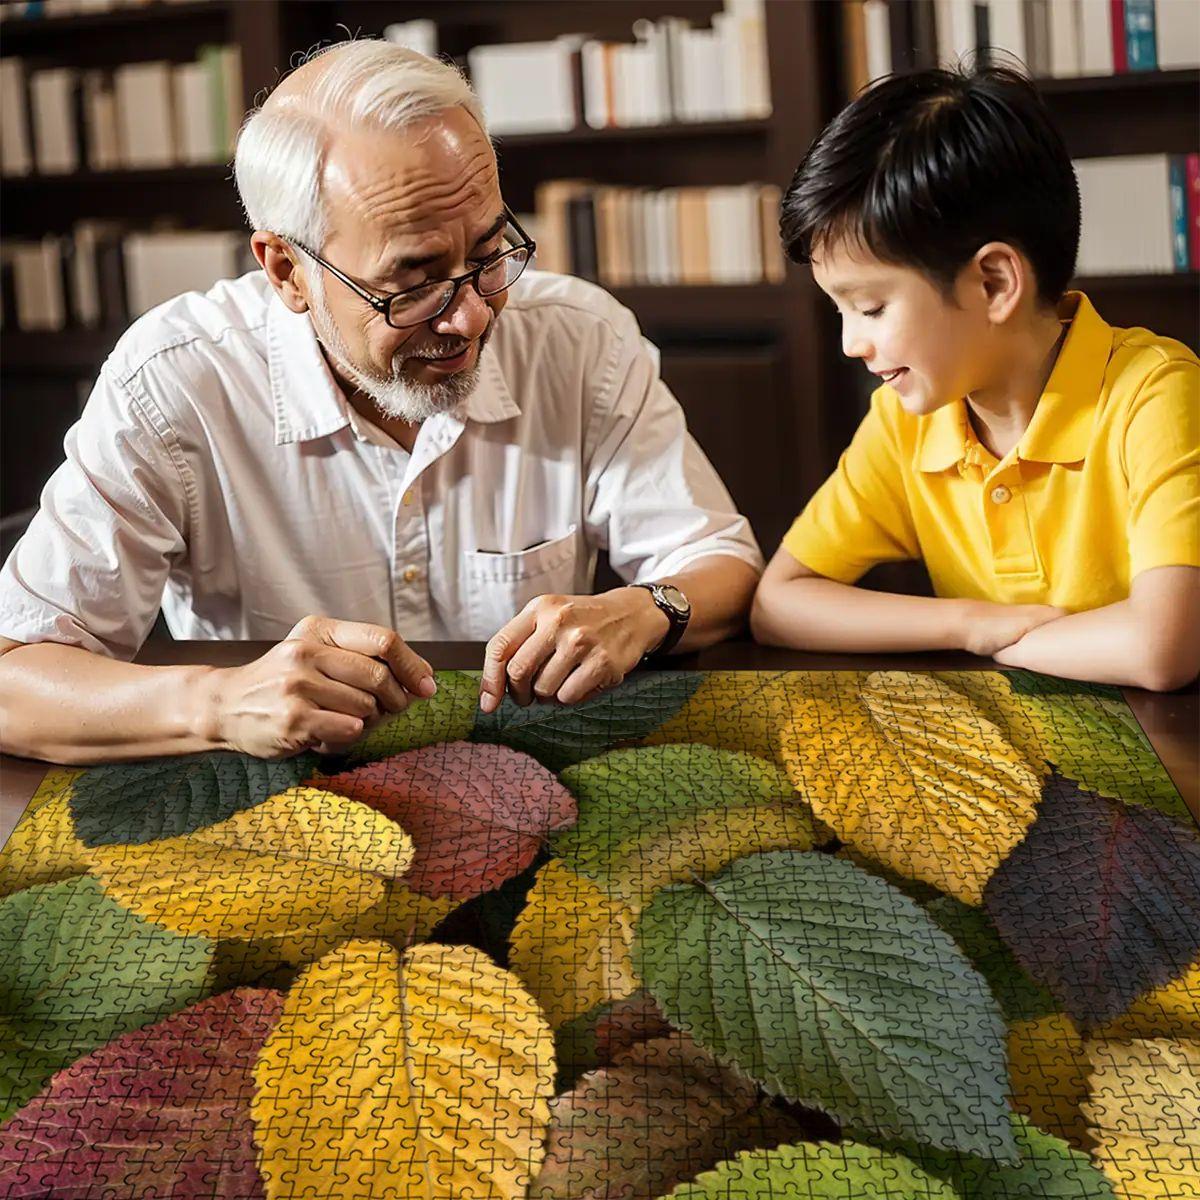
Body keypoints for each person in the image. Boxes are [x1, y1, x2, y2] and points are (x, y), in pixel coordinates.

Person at [0, 40, 762, 764]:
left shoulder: (580, 338)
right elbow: (12, 680)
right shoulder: (175, 383)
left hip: (537, 775)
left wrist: (645, 608)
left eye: (490, 254)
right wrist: (221, 702)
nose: (471, 317)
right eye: (414, 280)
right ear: (287, 270)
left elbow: (721, 561)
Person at [751, 64, 1199, 692]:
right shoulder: (907, 419)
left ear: (994, 283)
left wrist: (1011, 640)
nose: (851, 343)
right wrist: (969, 623)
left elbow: (1162, 647)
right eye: (840, 309)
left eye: (872, 307)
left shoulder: (1155, 393)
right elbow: (780, 602)